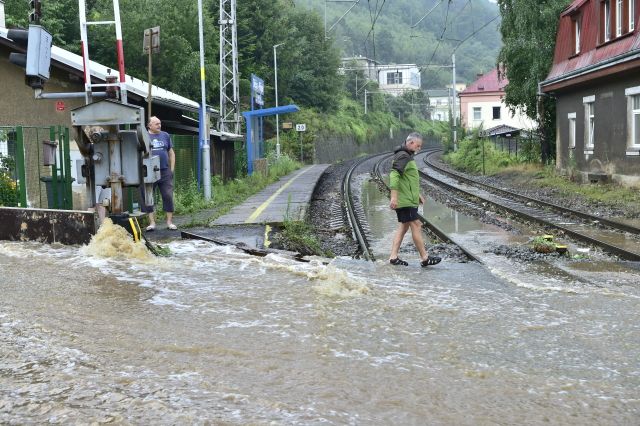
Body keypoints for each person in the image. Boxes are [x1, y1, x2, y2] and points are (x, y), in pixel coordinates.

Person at [388, 132, 441, 267]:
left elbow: (408, 179)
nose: (419, 149)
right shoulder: (403, 156)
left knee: (404, 227)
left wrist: (417, 195)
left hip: (408, 199)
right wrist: (394, 197)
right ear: (410, 143)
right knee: (417, 225)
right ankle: (425, 257)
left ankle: (393, 257)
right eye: (418, 146)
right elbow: (394, 175)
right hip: (404, 201)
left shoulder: (406, 156)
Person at [142, 116, 176, 231]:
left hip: (165, 171)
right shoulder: (144, 136)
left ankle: (169, 222)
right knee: (148, 196)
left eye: (160, 123)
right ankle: (152, 223)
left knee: (168, 195)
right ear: (149, 125)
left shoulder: (165, 135)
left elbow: (171, 153)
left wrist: (171, 169)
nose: (159, 125)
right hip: (149, 171)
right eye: (156, 124)